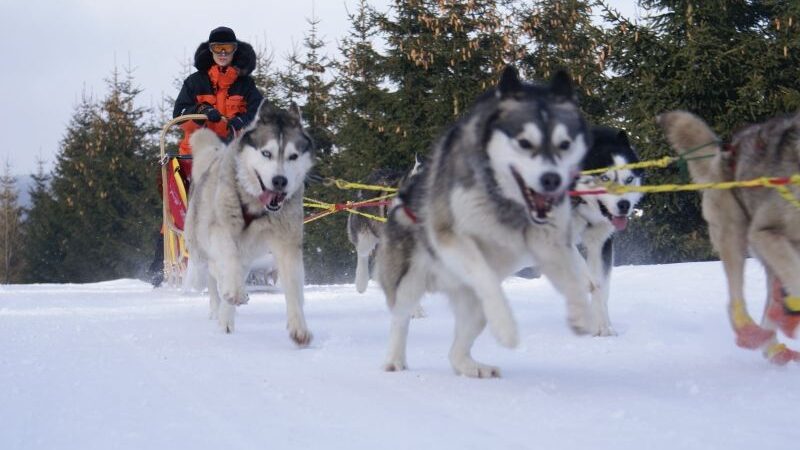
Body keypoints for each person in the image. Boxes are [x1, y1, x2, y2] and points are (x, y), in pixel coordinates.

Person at [148, 26, 263, 288]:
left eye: (228, 49)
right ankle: (166, 262)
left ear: (235, 51)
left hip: (233, 153)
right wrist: (201, 111)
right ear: (210, 51)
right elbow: (180, 115)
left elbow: (257, 112)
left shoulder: (245, 85)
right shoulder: (195, 82)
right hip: (195, 156)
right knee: (185, 206)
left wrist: (241, 120)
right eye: (217, 49)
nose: (223, 54)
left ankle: (248, 253)